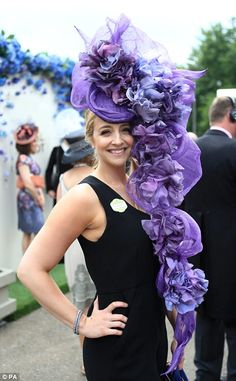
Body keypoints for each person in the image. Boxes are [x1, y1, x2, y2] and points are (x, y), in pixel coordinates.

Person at [17, 15, 208, 381]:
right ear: (92, 138)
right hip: (116, 349)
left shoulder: (144, 188)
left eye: (125, 130)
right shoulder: (85, 196)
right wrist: (81, 322)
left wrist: (177, 332)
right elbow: (30, 269)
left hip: (152, 339)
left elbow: (157, 270)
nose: (117, 140)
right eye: (106, 131)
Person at [184, 96, 236, 381]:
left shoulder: (188, 151)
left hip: (198, 261)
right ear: (232, 115)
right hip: (233, 262)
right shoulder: (234, 150)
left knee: (206, 335)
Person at [57, 130, 96, 376]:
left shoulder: (63, 178)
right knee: (101, 301)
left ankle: (85, 360)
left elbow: (58, 218)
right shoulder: (97, 176)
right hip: (96, 242)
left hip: (72, 247)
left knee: (80, 304)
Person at [14, 123, 45, 253]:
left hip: (29, 197)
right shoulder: (23, 159)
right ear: (29, 143)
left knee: (31, 232)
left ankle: (29, 265)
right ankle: (29, 266)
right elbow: (27, 182)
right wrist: (38, 197)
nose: (36, 144)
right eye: (34, 141)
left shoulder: (26, 158)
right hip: (29, 198)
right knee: (31, 231)